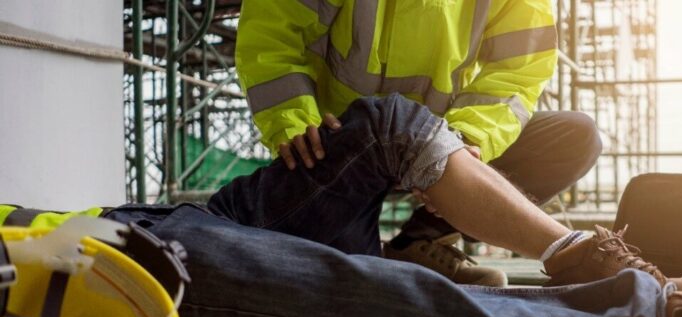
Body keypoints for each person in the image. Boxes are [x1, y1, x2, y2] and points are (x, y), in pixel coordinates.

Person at [1, 95, 682, 317]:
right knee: (226, 270)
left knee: (387, 125)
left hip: (177, 217)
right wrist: (292, 112)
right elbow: (273, 38)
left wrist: (455, 148)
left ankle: (569, 253)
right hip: (109, 253)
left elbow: (513, 87)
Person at [235, 0, 603, 286]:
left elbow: (516, 73)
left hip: (440, 144)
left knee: (574, 136)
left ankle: (421, 242)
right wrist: (293, 120)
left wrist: (469, 140)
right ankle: (367, 250)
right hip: (340, 149)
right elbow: (272, 34)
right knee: (359, 285)